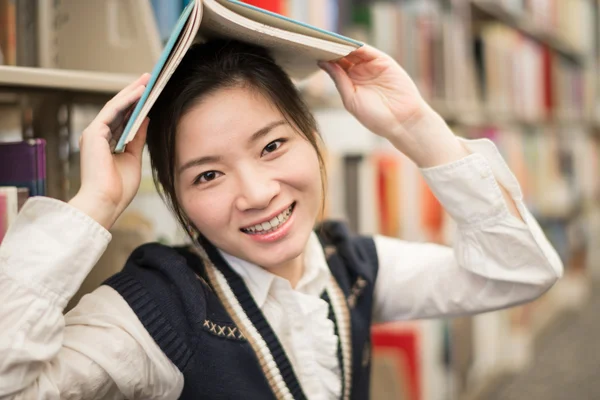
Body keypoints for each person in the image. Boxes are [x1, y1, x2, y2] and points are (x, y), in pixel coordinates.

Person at [0, 39, 562, 400]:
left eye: (271, 147)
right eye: (207, 176)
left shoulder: (352, 264)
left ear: (312, 138)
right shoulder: (156, 307)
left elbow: (518, 272)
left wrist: (416, 127)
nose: (256, 193)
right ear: (176, 197)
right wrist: (96, 202)